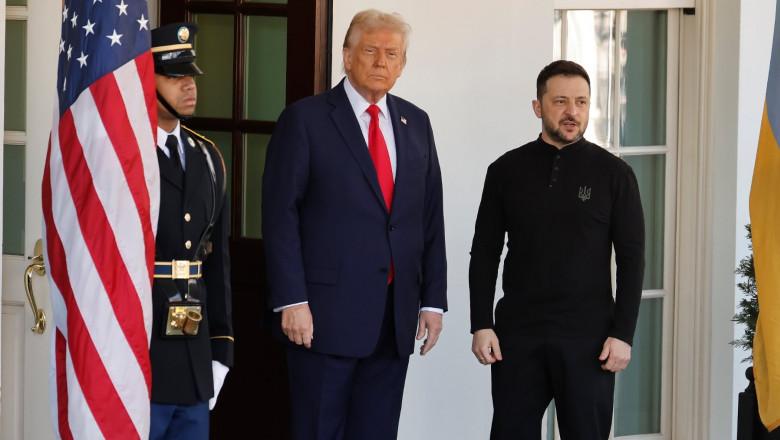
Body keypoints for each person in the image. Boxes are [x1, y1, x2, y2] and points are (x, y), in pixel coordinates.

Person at [262, 9, 447, 440]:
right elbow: (280, 215)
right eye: (370, 50)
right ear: (347, 57)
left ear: (402, 65)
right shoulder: (305, 120)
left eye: (392, 54)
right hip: (322, 319)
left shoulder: (416, 122)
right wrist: (291, 299)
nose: (382, 61)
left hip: (393, 318)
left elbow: (429, 216)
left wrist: (432, 301)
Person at [469, 60, 645, 440]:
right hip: (518, 336)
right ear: (538, 107)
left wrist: (623, 333)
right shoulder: (504, 171)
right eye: (561, 101)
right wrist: (481, 323)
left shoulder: (615, 175)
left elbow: (632, 260)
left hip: (590, 340)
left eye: (581, 102)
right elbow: (484, 252)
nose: (572, 112)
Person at [149, 22, 233, 440]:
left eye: (191, 76)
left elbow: (217, 263)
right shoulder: (125, 155)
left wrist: (222, 348)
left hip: (193, 353)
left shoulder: (208, 157)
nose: (189, 86)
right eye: (174, 76)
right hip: (140, 349)